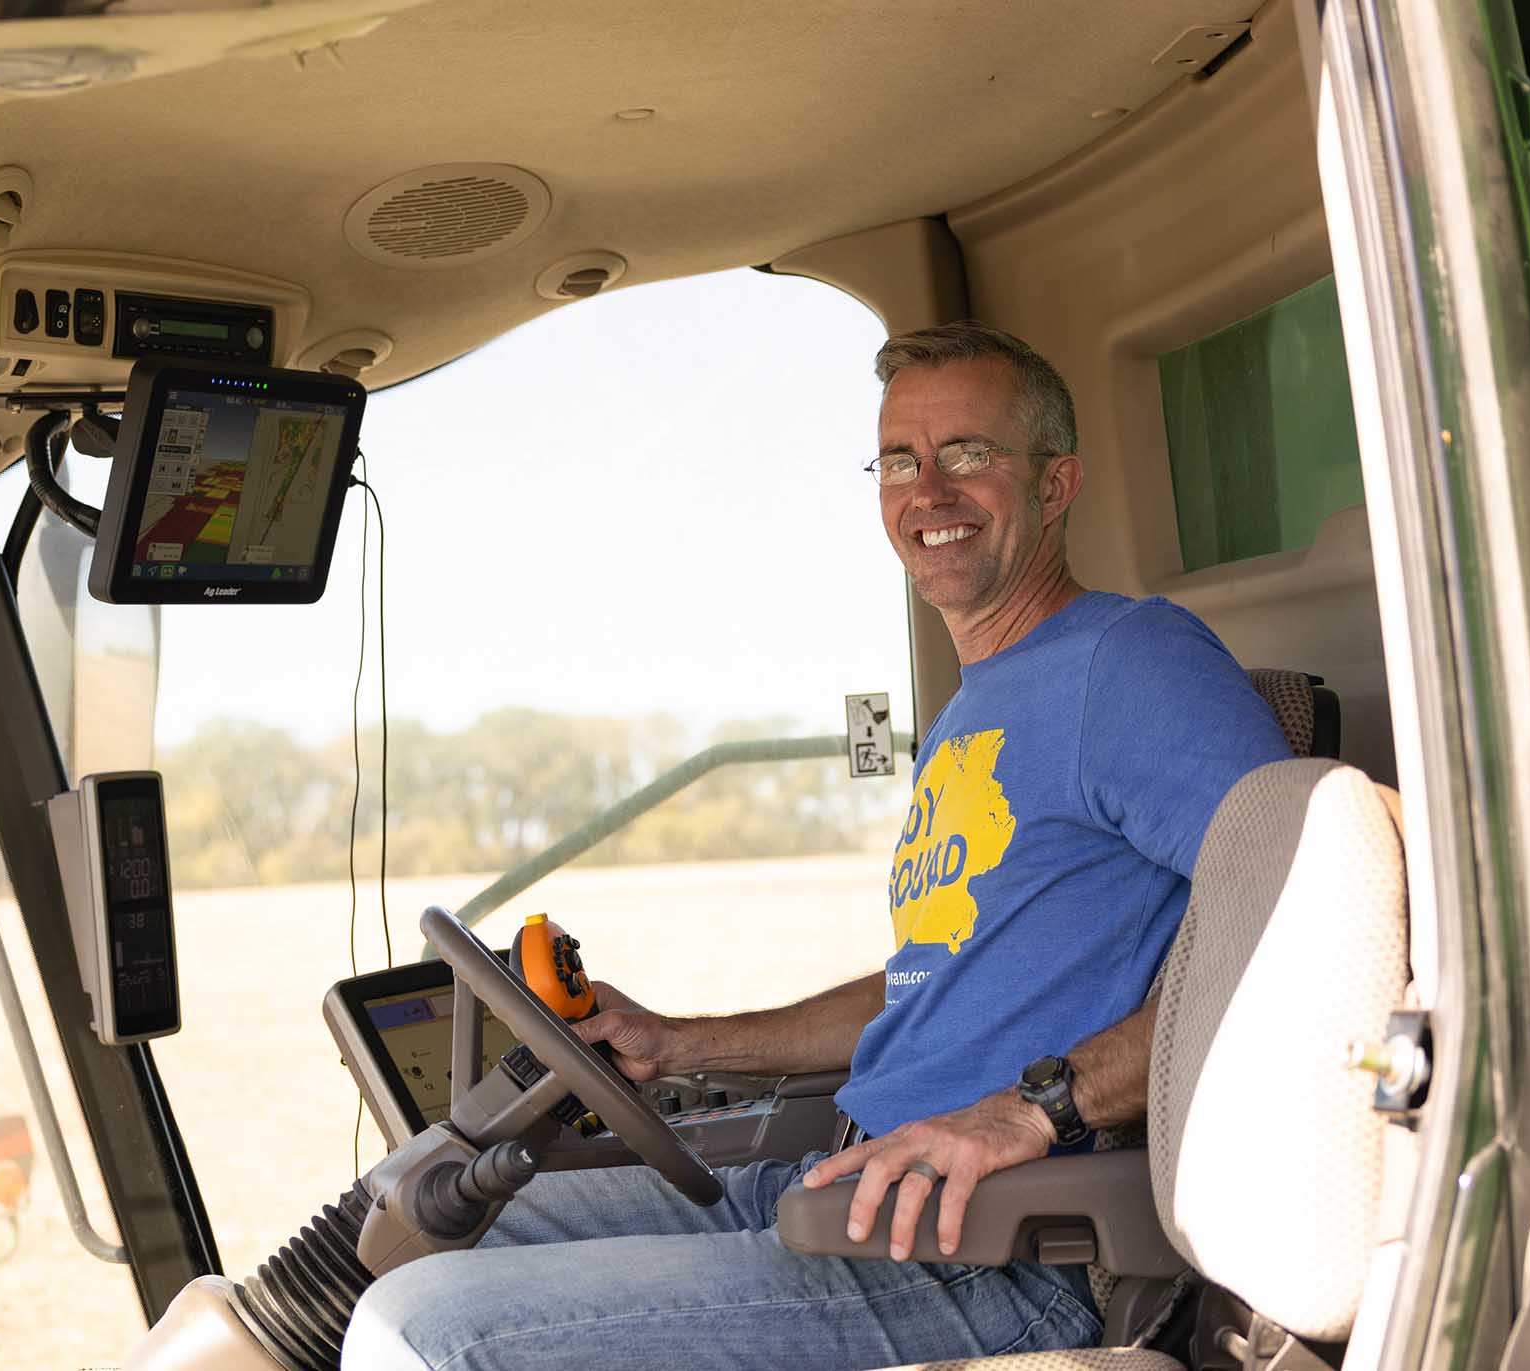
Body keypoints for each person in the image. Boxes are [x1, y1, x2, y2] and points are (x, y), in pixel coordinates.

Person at [342, 322, 1292, 1370]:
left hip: (991, 1248)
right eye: (899, 460)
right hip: (845, 1187)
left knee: (424, 1335)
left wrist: (1038, 1109)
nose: (927, 492)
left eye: (968, 454)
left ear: (1056, 485)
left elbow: (1301, 913)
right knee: (395, 1241)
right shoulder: (979, 709)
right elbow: (926, 989)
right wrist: (682, 1045)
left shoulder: (1130, 662)